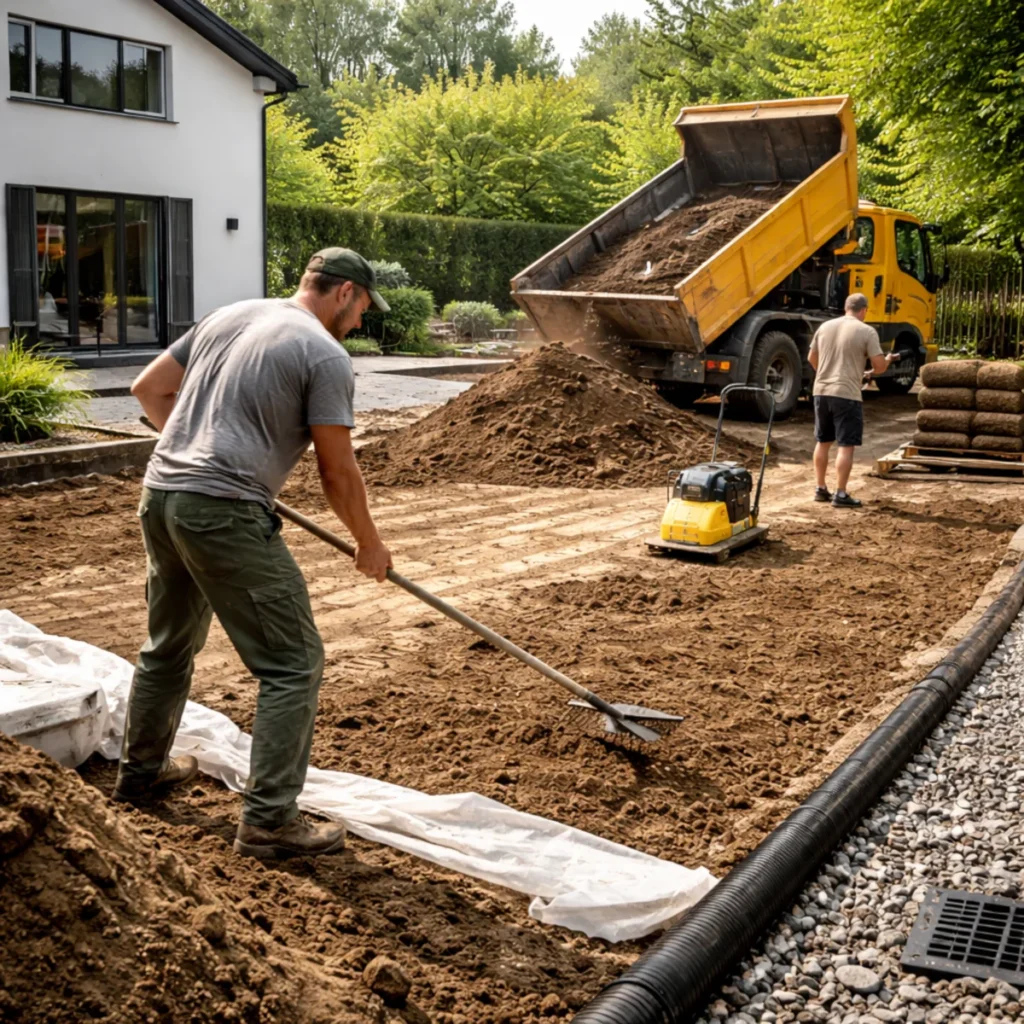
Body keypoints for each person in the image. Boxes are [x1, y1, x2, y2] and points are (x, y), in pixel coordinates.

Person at [116, 248, 393, 860]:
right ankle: (270, 820)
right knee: (293, 663)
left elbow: (149, 388)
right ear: (345, 291)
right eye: (364, 308)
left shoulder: (231, 315)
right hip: (221, 512)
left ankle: (139, 776)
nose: (361, 322)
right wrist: (368, 543)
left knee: (168, 645)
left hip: (162, 496)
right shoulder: (323, 354)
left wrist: (195, 454)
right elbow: (336, 469)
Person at [808, 293, 900, 507]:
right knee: (846, 445)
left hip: (821, 391)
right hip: (847, 394)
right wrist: (885, 361)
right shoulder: (866, 331)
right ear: (864, 310)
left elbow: (812, 358)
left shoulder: (825, 326)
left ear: (845, 307)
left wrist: (826, 372)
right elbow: (878, 367)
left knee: (822, 442)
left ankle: (820, 488)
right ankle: (840, 493)